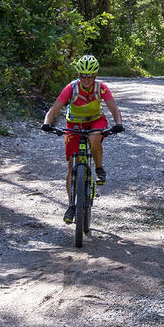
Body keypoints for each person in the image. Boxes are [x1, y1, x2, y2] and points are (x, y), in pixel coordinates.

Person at [41, 54, 124, 223]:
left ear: (95, 75)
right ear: (78, 75)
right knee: (72, 165)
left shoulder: (101, 88)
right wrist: (47, 122)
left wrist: (118, 123)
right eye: (82, 76)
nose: (86, 80)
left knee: (94, 138)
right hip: (74, 123)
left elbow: (114, 108)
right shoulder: (71, 88)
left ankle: (99, 168)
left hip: (95, 121)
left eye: (90, 76)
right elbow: (54, 108)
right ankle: (71, 206)